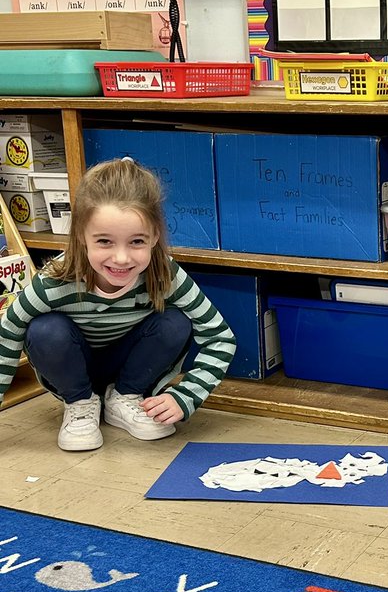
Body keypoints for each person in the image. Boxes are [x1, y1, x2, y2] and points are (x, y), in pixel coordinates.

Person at [0, 158, 236, 451]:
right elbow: (7, 332)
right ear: (81, 238)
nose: (122, 259)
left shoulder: (166, 274)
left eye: (137, 241)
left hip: (131, 368)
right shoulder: (54, 282)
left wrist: (184, 396)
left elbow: (220, 337)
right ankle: (79, 404)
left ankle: (125, 398)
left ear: (155, 237)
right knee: (44, 329)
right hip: (72, 368)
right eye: (104, 242)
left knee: (176, 321)